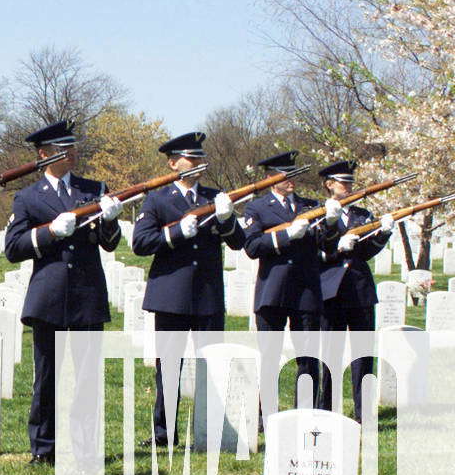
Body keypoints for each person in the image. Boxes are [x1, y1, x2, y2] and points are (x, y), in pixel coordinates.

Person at [4, 120, 123, 464]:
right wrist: (50, 233)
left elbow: (110, 244)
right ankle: (44, 447)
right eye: (61, 149)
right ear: (43, 155)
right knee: (47, 379)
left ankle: (84, 448)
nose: (70, 153)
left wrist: (111, 220)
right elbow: (14, 248)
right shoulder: (27, 197)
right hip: (49, 297)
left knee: (86, 380)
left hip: (86, 295)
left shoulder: (93, 189)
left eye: (72, 147)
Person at [132, 132, 245, 447]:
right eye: (190, 158)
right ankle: (163, 432)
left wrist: (226, 219)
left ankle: (210, 428)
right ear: (173, 162)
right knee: (168, 369)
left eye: (199, 158)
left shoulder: (214, 197)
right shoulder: (157, 199)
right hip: (171, 296)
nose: (197, 163)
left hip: (207, 294)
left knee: (213, 366)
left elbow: (239, 242)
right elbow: (141, 243)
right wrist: (175, 234)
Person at [242, 150, 341, 420]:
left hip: (306, 290)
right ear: (271, 178)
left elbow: (328, 246)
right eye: (286, 175)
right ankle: (266, 416)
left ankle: (304, 415)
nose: (292, 180)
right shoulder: (257, 208)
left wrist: (332, 223)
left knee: (308, 358)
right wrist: (286, 235)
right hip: (272, 290)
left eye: (294, 175)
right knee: (270, 357)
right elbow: (251, 246)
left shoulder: (310, 205)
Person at [315, 160, 394, 422]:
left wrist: (383, 234)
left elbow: (366, 251)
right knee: (329, 356)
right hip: (331, 292)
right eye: (343, 182)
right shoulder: (317, 213)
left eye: (350, 182)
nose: (349, 186)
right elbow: (316, 252)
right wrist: (338, 247)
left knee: (363, 356)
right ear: (329, 185)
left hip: (359, 291)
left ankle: (364, 413)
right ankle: (326, 411)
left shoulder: (362, 215)